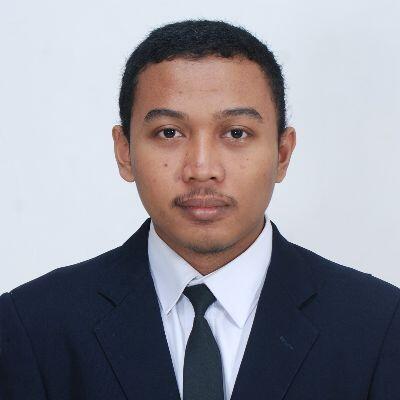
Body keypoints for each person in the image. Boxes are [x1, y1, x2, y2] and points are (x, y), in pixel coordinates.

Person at [0, 19, 399, 400]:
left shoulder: (379, 324)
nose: (202, 169)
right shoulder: (33, 325)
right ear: (124, 152)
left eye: (236, 133)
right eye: (169, 132)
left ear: (282, 154)